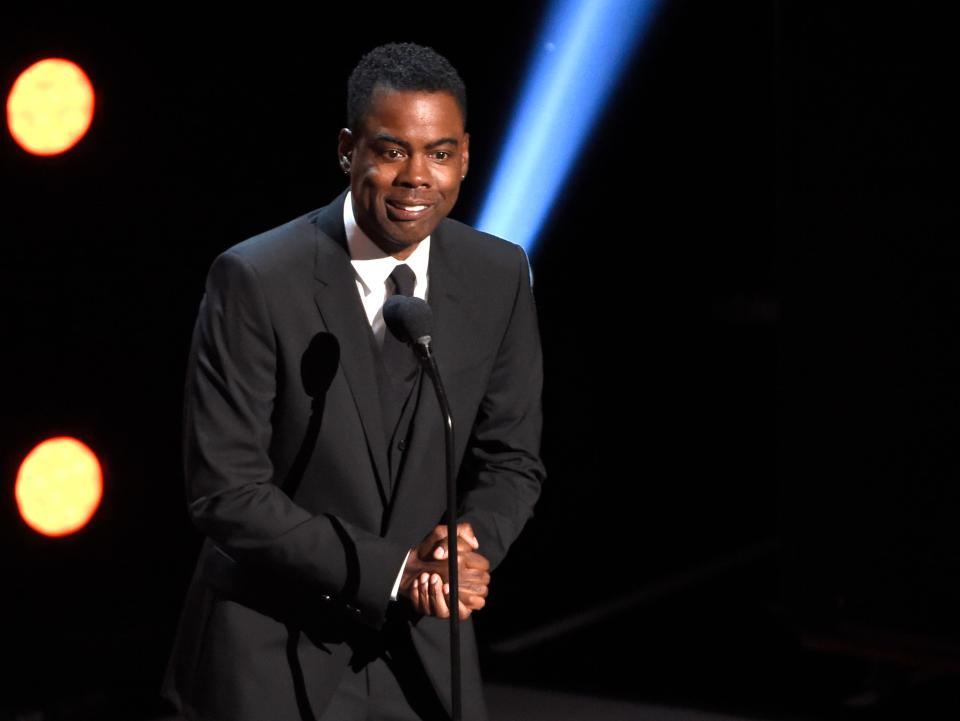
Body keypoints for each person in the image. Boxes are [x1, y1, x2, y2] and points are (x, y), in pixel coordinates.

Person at [161, 42, 545, 721]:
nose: (417, 177)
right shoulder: (256, 278)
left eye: (440, 152)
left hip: (423, 659)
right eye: (393, 151)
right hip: (272, 654)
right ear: (348, 150)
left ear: (465, 156)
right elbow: (225, 489)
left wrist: (468, 545)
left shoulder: (499, 273)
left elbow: (512, 459)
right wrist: (396, 572)